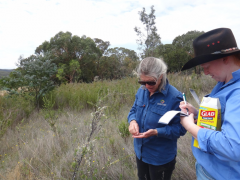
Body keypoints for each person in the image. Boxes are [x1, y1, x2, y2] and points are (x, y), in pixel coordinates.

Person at [180, 28, 240, 180]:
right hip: (208, 168)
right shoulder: (224, 82)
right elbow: (223, 120)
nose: (206, 73)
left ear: (225, 58)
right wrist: (198, 113)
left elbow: (232, 147)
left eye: (207, 67)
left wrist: (190, 127)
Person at [128, 57, 186, 180]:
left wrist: (157, 132)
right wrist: (132, 121)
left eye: (151, 82)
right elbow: (133, 110)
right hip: (141, 153)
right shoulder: (142, 90)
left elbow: (181, 129)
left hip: (161, 158)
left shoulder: (175, 97)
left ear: (161, 76)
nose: (147, 86)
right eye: (143, 82)